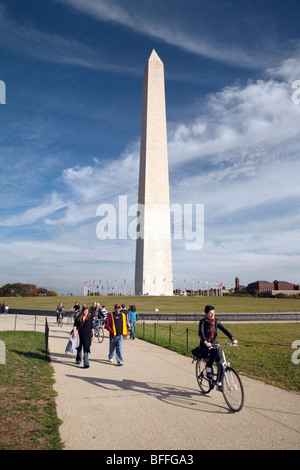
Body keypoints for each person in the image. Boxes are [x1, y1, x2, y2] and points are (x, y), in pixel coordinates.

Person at [198, 305, 238, 379]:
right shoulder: (202, 322)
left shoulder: (216, 321)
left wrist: (232, 338)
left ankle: (219, 382)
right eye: (210, 314)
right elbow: (201, 333)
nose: (213, 315)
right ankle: (209, 368)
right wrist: (205, 342)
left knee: (221, 362)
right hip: (205, 344)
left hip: (213, 342)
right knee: (215, 351)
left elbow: (225, 330)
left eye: (214, 313)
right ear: (206, 314)